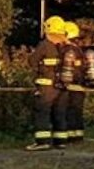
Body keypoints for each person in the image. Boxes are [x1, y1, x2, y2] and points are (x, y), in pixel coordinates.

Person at [27, 16, 69, 151]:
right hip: (62, 87)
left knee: (42, 112)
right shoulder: (66, 47)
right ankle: (60, 141)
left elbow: (32, 61)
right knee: (59, 112)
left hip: (46, 86)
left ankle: (42, 141)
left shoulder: (44, 45)